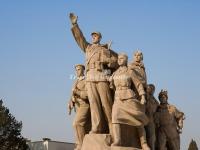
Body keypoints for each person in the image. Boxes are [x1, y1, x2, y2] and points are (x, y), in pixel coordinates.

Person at [69, 13, 118, 134]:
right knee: (94, 103)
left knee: (106, 103)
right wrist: (75, 25)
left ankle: (112, 127)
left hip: (101, 76)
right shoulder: (88, 48)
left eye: (96, 36)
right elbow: (80, 38)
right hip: (90, 77)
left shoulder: (104, 49)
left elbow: (114, 62)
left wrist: (106, 60)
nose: (93, 37)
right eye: (92, 36)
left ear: (100, 38)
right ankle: (97, 127)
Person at [110, 53, 150, 150]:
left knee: (138, 120)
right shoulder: (115, 73)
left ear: (126, 60)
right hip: (118, 99)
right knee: (115, 119)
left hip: (129, 97)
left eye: (122, 58)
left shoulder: (130, 71)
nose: (119, 60)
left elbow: (138, 84)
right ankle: (117, 140)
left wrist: (143, 96)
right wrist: (110, 80)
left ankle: (144, 143)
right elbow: (111, 87)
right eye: (118, 58)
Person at [68, 64, 90, 150]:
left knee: (77, 124)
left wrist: (77, 91)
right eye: (76, 70)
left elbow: (88, 94)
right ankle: (79, 143)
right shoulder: (75, 81)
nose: (77, 71)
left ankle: (81, 145)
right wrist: (70, 102)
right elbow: (72, 95)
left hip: (84, 105)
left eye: (79, 69)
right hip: (77, 106)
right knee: (83, 127)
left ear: (83, 70)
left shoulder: (86, 80)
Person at [145, 84, 159, 150]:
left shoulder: (155, 101)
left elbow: (158, 108)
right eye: (149, 88)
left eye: (152, 89)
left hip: (152, 119)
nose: (151, 90)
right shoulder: (144, 97)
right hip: (144, 117)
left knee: (152, 137)